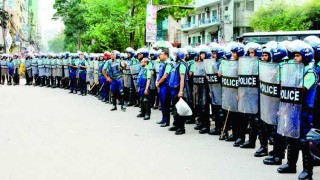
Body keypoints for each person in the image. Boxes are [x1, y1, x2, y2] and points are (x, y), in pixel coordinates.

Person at [277, 40, 317, 180]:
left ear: (305, 57)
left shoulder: (310, 73)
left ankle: (308, 171)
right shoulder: (296, 70)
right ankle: (291, 164)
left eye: (298, 56)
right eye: (294, 56)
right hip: (294, 109)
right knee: (291, 136)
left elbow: (301, 90)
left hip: (306, 111)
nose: (295, 58)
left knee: (305, 141)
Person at [168, 48, 187, 135]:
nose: (174, 56)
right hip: (173, 89)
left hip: (178, 90)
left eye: (176, 55)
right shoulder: (177, 64)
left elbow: (182, 79)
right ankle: (176, 124)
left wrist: (181, 91)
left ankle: (181, 127)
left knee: (179, 110)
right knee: (175, 108)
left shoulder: (182, 65)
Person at [207, 43, 225, 136]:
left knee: (220, 110)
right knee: (215, 109)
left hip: (221, 88)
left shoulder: (222, 62)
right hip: (214, 88)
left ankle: (221, 128)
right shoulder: (213, 61)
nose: (213, 55)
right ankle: (217, 127)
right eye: (212, 53)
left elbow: (219, 74)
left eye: (215, 53)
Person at [193, 45, 211, 134]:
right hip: (199, 86)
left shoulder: (209, 63)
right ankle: (202, 123)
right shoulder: (199, 62)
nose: (201, 55)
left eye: (203, 53)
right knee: (200, 105)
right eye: (200, 53)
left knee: (205, 106)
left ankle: (206, 125)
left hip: (206, 86)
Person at [156, 49, 172, 127]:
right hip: (161, 85)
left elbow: (165, 75)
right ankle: (163, 119)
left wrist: (159, 82)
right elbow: (159, 74)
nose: (160, 55)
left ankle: (167, 121)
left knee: (166, 103)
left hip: (166, 85)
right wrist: (157, 81)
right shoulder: (162, 63)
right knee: (162, 103)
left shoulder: (168, 63)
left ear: (166, 55)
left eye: (161, 54)